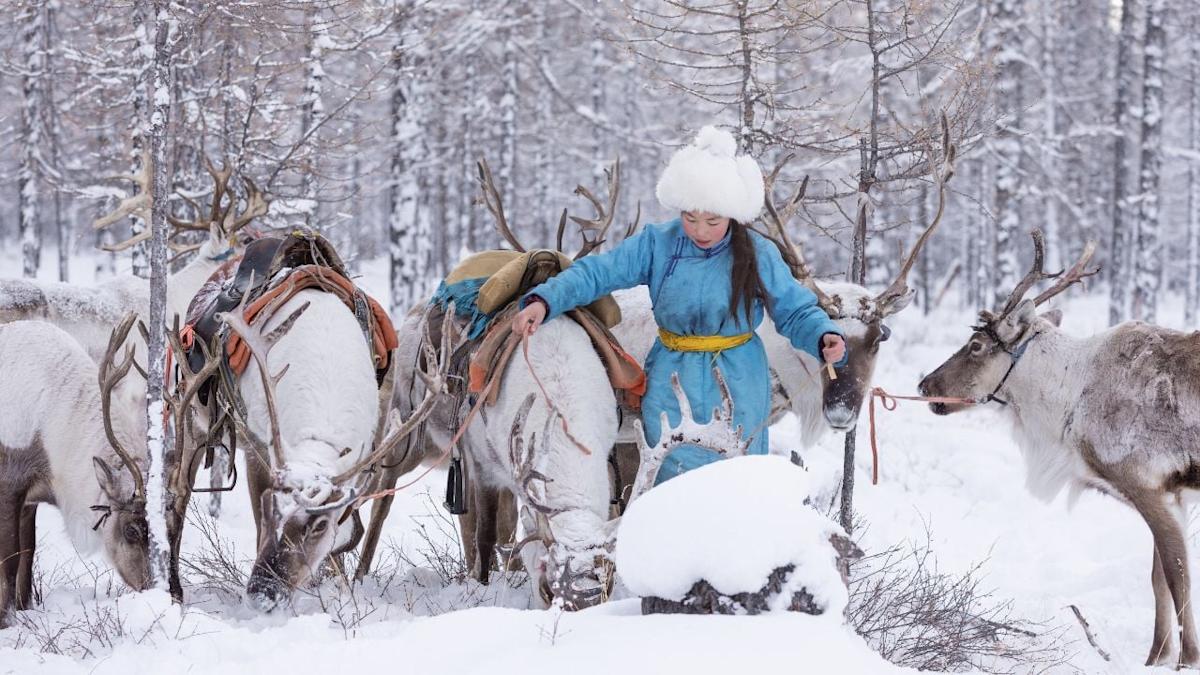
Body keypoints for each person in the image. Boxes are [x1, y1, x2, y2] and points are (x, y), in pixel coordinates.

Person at [512, 126, 847, 484]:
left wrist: (821, 334)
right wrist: (545, 300)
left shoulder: (757, 252)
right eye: (690, 218)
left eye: (713, 221)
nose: (700, 230)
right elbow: (596, 273)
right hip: (672, 378)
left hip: (739, 381)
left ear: (732, 214)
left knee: (736, 480)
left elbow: (794, 309)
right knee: (671, 474)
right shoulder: (658, 243)